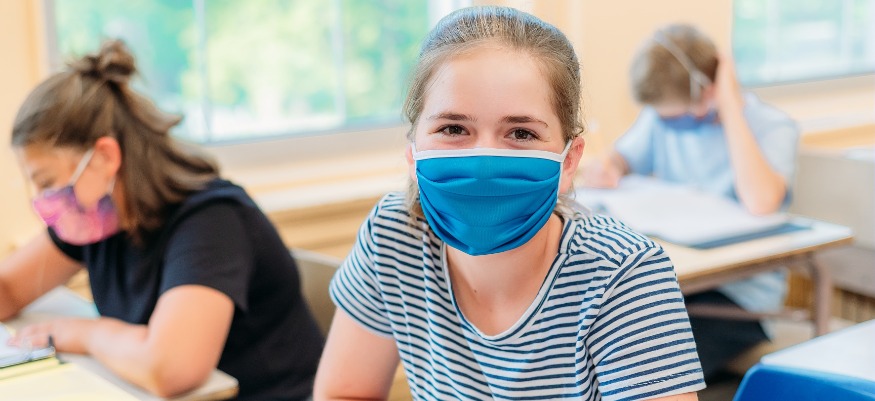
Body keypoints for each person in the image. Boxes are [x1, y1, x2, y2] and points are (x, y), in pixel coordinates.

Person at [314, 7, 705, 400]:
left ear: (569, 161)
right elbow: (344, 393)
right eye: (454, 128)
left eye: (520, 133)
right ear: (413, 152)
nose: (483, 161)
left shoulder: (624, 274)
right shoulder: (393, 234)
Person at [0, 40, 323, 400]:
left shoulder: (212, 220)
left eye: (47, 182)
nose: (43, 200)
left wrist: (81, 333)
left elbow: (170, 367)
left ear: (105, 156)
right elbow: (8, 289)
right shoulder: (94, 219)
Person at [582, 24, 800, 381]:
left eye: (679, 116)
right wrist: (611, 166)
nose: (672, 124)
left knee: (640, 365)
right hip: (678, 286)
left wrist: (730, 108)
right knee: (596, 341)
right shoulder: (660, 120)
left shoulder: (773, 127)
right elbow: (623, 157)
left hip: (737, 301)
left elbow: (762, 201)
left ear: (709, 90)